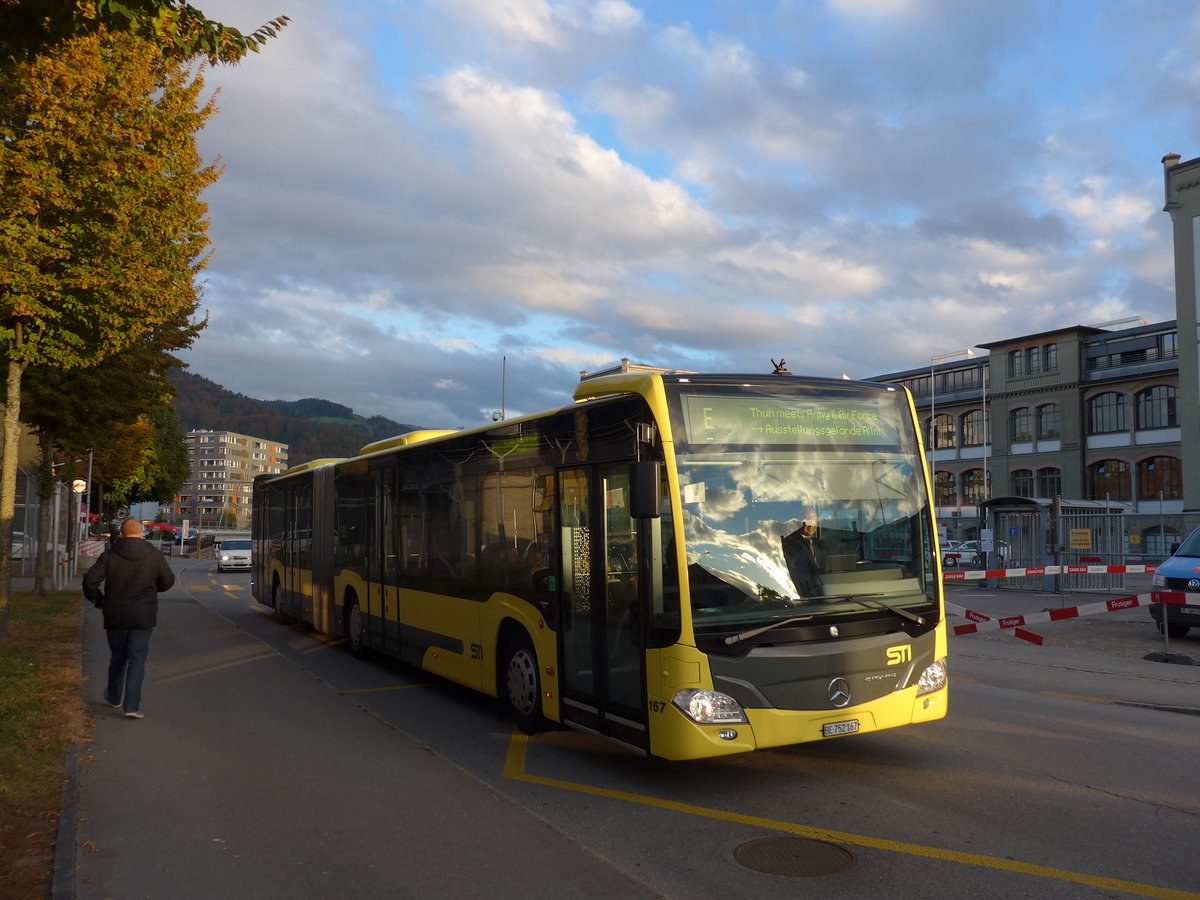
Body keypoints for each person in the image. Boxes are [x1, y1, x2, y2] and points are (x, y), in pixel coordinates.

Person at [82, 518, 175, 719]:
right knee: (137, 660)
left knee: (118, 657)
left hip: (115, 614)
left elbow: (90, 580)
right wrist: (151, 591)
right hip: (143, 616)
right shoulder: (154, 555)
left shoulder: (109, 555)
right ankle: (132, 706)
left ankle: (114, 696)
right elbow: (168, 581)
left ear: (122, 535)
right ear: (141, 533)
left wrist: (98, 599)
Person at [781, 506, 829, 598]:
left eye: (813, 519)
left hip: (827, 594)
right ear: (798, 521)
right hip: (804, 597)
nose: (811, 524)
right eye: (807, 519)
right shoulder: (789, 544)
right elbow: (791, 574)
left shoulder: (821, 545)